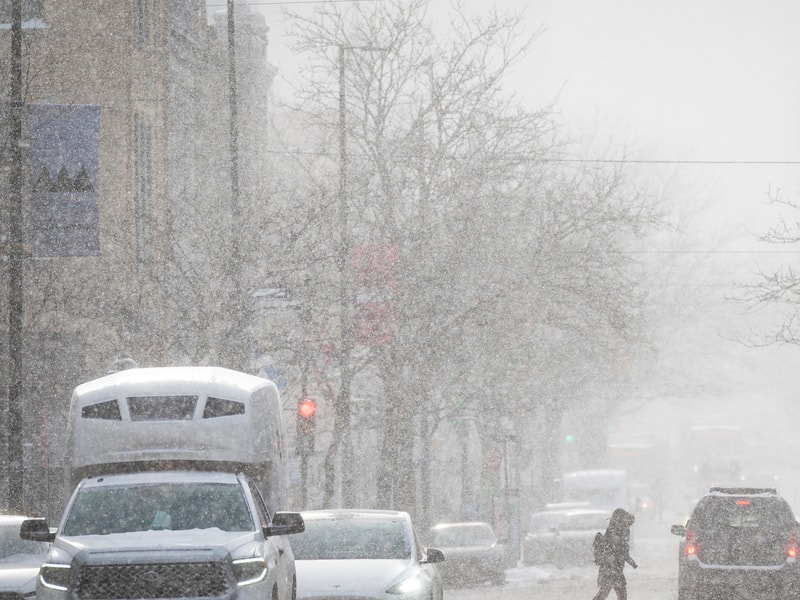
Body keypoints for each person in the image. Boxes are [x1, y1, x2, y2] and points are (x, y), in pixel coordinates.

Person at [592, 508, 638, 600]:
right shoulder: (619, 531)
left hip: (612, 568)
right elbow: (620, 550)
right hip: (612, 568)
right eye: (630, 523)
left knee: (607, 593)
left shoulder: (614, 529)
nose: (629, 526)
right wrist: (631, 562)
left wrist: (632, 563)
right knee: (613, 594)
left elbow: (622, 551)